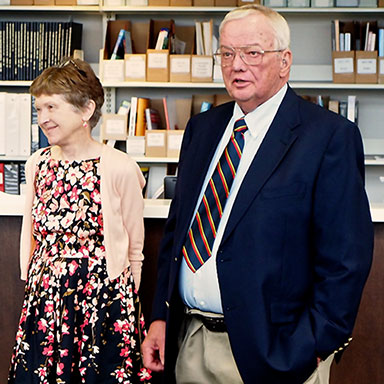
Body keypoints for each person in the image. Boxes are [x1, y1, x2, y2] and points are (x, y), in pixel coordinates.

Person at [142, 4, 374, 384]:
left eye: (252, 53)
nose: (236, 65)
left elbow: (345, 260)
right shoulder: (202, 130)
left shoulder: (328, 137)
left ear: (284, 62)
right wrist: (161, 316)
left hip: (276, 356)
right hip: (190, 343)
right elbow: (177, 234)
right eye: (227, 53)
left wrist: (311, 347)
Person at [8, 58, 152, 384]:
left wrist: (127, 305)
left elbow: (135, 246)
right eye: (39, 108)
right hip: (46, 298)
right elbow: (30, 234)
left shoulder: (119, 166)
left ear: (86, 110)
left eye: (52, 107)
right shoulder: (37, 164)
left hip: (103, 298)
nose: (43, 118)